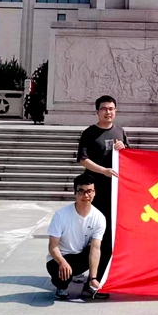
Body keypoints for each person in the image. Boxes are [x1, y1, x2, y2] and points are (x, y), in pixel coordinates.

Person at [77, 95, 129, 282]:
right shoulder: (89, 133)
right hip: (93, 191)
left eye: (111, 109)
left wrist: (123, 149)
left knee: (108, 233)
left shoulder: (120, 131)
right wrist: (103, 171)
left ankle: (100, 273)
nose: (108, 112)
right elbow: (83, 159)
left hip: (113, 191)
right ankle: (84, 269)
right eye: (104, 109)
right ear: (97, 111)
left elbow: (129, 157)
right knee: (91, 230)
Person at [46, 172, 108, 300]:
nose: (86, 195)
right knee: (61, 275)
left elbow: (95, 248)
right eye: (81, 191)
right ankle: (61, 287)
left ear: (95, 193)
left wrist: (93, 277)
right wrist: (62, 262)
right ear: (75, 192)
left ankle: (91, 286)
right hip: (61, 258)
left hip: (80, 256)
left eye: (89, 191)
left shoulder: (99, 217)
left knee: (106, 248)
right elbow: (53, 247)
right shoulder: (61, 215)